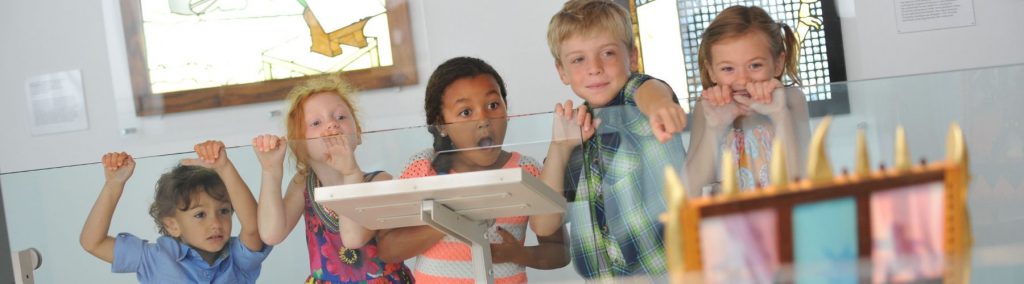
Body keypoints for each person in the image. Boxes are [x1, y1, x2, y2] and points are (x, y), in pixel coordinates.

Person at [376, 56, 572, 283]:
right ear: (441, 124)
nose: (484, 120)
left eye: (493, 105)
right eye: (466, 112)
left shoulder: (526, 171)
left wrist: (519, 254)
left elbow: (560, 250)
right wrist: (453, 220)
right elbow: (388, 248)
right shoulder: (422, 168)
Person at [546, 0, 688, 279]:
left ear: (632, 58)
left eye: (608, 53)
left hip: (670, 273)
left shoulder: (638, 102)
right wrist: (559, 148)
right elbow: (544, 224)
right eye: (578, 59)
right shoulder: (573, 134)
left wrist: (660, 106)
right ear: (562, 71)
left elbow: (648, 89)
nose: (595, 68)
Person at [253, 76, 412, 283]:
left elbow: (353, 238)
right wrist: (271, 171)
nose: (331, 125)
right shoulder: (303, 185)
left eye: (341, 117)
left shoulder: (379, 181)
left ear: (358, 133)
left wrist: (351, 173)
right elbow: (271, 234)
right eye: (316, 122)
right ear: (300, 146)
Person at [79, 141, 270, 283]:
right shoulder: (155, 258)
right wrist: (113, 185)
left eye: (224, 211)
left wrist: (225, 168)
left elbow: (254, 227)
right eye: (200, 214)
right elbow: (92, 242)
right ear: (172, 225)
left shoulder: (239, 259)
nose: (216, 223)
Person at [686, 5, 811, 194]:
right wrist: (715, 128)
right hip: (728, 221)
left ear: (778, 63)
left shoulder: (791, 99)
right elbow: (689, 191)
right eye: (728, 69)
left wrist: (780, 115)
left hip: (783, 217)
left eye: (755, 65)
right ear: (711, 71)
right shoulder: (706, 108)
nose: (742, 80)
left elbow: (803, 181)